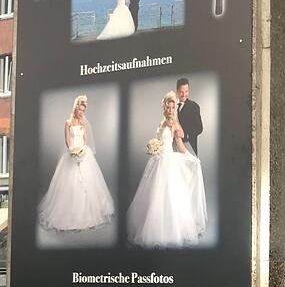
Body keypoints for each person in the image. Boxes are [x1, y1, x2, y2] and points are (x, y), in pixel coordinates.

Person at [127, 92, 207, 247]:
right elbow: (158, 141)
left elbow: (180, 145)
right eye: (168, 107)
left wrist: (192, 158)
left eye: (172, 107)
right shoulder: (161, 123)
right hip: (158, 161)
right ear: (164, 108)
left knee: (170, 195)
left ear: (175, 109)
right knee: (155, 195)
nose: (170, 110)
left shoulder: (175, 125)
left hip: (169, 162)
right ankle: (154, 229)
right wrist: (153, 148)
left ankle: (172, 230)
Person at [38, 95, 115, 231]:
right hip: (72, 152)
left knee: (87, 181)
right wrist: (73, 151)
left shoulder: (83, 123)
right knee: (70, 182)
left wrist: (82, 150)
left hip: (83, 153)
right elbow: (67, 140)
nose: (81, 112)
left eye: (83, 110)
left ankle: (88, 213)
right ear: (75, 109)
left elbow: (85, 139)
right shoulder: (68, 123)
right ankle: (70, 214)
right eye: (80, 109)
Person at [175, 78, 203, 155]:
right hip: (174, 148)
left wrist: (185, 135)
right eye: (181, 92)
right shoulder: (172, 106)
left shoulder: (194, 106)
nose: (184, 94)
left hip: (189, 147)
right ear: (177, 91)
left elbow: (199, 128)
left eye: (186, 91)